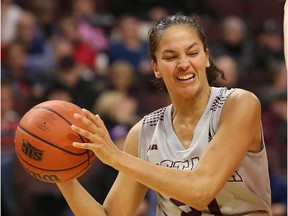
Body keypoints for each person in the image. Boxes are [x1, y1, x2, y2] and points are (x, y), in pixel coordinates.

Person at [56, 14, 272, 215]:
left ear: (206, 57)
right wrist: (60, 173)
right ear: (156, 67)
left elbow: (201, 190)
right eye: (170, 57)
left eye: (193, 53)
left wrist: (116, 157)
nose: (184, 64)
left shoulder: (239, 104)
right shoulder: (143, 132)